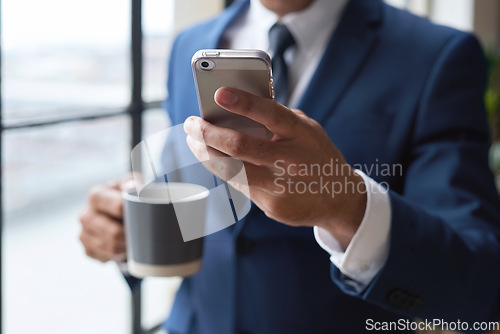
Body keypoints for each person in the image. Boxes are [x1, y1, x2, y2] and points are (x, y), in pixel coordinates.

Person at [79, 0, 500, 333]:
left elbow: (481, 284)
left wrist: (346, 204)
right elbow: (197, 205)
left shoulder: (436, 54)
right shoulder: (190, 43)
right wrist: (127, 233)